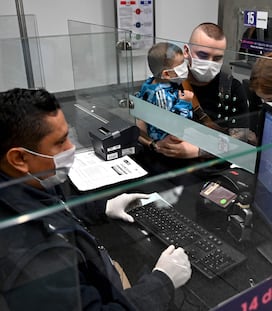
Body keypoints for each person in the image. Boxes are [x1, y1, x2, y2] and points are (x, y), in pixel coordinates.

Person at [0, 88, 191, 310]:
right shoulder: (30, 257)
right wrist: (162, 282)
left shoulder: (24, 182)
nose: (70, 148)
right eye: (60, 142)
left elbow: (55, 211)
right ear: (19, 158)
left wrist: (103, 207)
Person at [150, 22, 255, 159]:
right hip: (165, 161)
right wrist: (155, 144)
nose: (210, 63)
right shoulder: (168, 79)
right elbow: (141, 123)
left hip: (209, 169)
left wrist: (198, 151)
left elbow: (240, 141)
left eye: (217, 58)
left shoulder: (232, 88)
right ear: (186, 51)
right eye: (203, 55)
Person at [136, 42, 193, 149]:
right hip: (166, 144)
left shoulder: (150, 83)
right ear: (166, 74)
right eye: (180, 65)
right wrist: (185, 103)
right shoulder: (161, 96)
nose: (184, 67)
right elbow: (174, 126)